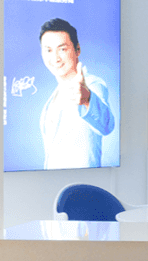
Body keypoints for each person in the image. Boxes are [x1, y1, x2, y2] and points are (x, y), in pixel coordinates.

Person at [39, 18, 115, 170]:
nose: (55, 58)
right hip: (52, 180)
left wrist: (87, 99)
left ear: (77, 49)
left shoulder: (92, 84)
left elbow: (106, 125)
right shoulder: (55, 95)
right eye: (48, 50)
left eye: (62, 49)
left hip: (81, 180)